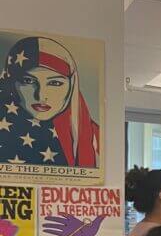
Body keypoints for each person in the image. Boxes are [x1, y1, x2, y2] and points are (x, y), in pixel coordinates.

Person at [0, 36, 100, 168]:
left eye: (55, 83)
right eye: (28, 81)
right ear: (11, 81)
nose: (41, 95)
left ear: (72, 85)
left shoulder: (94, 137)